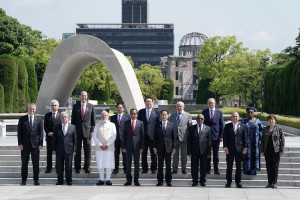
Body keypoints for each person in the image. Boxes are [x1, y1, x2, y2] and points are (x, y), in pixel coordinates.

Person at [17, 103, 43, 185]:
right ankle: (23, 180)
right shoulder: (22, 119)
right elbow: (19, 132)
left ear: (35, 110)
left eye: (33, 109)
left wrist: (41, 143)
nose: (32, 110)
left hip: (35, 145)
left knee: (36, 163)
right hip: (25, 145)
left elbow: (41, 133)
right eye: (30, 109)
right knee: (24, 163)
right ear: (28, 109)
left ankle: (36, 180)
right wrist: (20, 143)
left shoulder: (39, 120)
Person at [71, 91, 96, 174]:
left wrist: (92, 131)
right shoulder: (75, 106)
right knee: (77, 150)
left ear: (87, 97)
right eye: (82, 96)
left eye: (85, 96)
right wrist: (73, 131)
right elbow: (73, 120)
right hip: (77, 131)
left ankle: (87, 167)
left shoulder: (91, 106)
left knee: (87, 150)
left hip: (87, 132)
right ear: (80, 97)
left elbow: (93, 121)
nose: (84, 97)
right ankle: (77, 167)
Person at [223, 112, 247, 188]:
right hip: (230, 150)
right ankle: (228, 182)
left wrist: (245, 147)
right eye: (233, 116)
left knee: (239, 167)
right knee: (229, 166)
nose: (235, 118)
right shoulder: (227, 126)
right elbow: (225, 138)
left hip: (239, 150)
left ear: (238, 117)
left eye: (236, 116)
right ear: (231, 117)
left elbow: (245, 138)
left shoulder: (243, 126)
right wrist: (225, 147)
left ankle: (238, 182)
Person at [52, 112, 77, 186]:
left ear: (68, 118)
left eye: (65, 117)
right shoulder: (57, 127)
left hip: (69, 150)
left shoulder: (73, 127)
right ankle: (60, 181)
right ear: (60, 119)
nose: (64, 118)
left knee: (69, 166)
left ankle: (69, 180)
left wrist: (74, 150)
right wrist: (53, 149)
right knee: (59, 167)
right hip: (59, 150)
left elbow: (75, 139)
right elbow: (54, 139)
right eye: (62, 117)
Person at [153, 110, 177, 187]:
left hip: (168, 148)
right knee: (160, 165)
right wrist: (154, 147)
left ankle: (168, 181)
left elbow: (174, 138)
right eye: (162, 115)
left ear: (168, 116)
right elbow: (155, 137)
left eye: (165, 115)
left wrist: (174, 148)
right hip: (159, 148)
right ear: (160, 116)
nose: (164, 116)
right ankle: (160, 181)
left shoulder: (172, 124)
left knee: (168, 165)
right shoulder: (157, 125)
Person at [261, 114, 285, 189]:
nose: (271, 121)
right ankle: (269, 183)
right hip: (267, 151)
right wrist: (262, 150)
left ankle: (274, 183)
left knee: (275, 167)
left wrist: (281, 150)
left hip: (276, 151)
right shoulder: (265, 129)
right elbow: (262, 141)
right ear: (268, 121)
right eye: (270, 119)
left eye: (273, 119)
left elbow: (282, 141)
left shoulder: (279, 129)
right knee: (268, 167)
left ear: (275, 121)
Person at [93, 111, 117, 186]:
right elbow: (94, 136)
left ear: (108, 116)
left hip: (109, 147)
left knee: (108, 163)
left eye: (105, 115)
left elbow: (114, 136)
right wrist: (100, 145)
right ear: (101, 116)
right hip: (99, 148)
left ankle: (108, 179)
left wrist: (107, 145)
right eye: (102, 115)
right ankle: (101, 179)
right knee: (100, 163)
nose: (104, 117)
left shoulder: (112, 125)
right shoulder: (97, 125)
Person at [187, 114, 211, 187]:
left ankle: (202, 181)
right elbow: (189, 141)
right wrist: (189, 152)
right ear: (196, 119)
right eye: (199, 118)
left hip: (204, 151)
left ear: (204, 120)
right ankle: (195, 181)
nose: (200, 120)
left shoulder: (208, 128)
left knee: (203, 167)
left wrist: (209, 152)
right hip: (194, 151)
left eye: (201, 119)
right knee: (194, 167)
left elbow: (209, 142)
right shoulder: (191, 128)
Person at [122, 108, 144, 186]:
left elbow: (142, 136)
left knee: (137, 164)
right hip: (128, 146)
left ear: (137, 115)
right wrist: (123, 147)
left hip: (137, 147)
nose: (133, 115)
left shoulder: (140, 123)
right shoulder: (126, 123)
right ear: (130, 114)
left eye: (135, 114)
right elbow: (124, 136)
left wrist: (142, 147)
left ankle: (136, 180)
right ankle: (128, 180)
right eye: (132, 114)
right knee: (128, 164)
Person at [202, 98, 224, 175]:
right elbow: (202, 124)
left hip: (216, 136)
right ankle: (208, 169)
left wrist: (221, 136)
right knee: (207, 154)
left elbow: (222, 125)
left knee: (216, 154)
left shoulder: (219, 112)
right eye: (209, 103)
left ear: (215, 104)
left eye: (212, 103)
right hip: (206, 137)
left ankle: (216, 169)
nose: (211, 104)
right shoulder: (204, 112)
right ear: (208, 104)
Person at [138, 97, 160, 174]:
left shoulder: (156, 112)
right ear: (145, 103)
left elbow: (158, 124)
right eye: (147, 101)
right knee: (143, 154)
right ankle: (145, 169)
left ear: (152, 102)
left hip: (153, 137)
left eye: (150, 102)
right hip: (143, 136)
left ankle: (154, 168)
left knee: (154, 153)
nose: (148, 103)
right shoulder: (141, 112)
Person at [169, 101, 192, 174]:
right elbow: (169, 126)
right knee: (175, 155)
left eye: (180, 106)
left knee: (184, 155)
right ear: (176, 107)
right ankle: (175, 169)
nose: (179, 107)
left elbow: (190, 127)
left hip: (184, 138)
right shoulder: (172, 115)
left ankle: (184, 168)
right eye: (178, 106)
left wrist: (189, 139)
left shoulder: (188, 115)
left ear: (183, 107)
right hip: (175, 138)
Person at [241, 107, 263, 175]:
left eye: (251, 112)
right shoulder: (243, 121)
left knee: (255, 155)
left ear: (253, 113)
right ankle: (246, 170)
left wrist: (260, 140)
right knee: (247, 156)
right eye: (248, 112)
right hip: (246, 142)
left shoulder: (258, 121)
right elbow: (241, 131)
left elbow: (261, 131)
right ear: (246, 113)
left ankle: (254, 170)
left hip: (255, 143)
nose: (250, 114)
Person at [110, 103, 130, 174]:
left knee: (125, 154)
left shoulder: (127, 117)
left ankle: (125, 168)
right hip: (115, 139)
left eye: (120, 107)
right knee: (116, 154)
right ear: (116, 109)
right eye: (118, 107)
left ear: (123, 108)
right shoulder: (113, 118)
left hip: (124, 139)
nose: (119, 109)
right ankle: (116, 168)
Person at [44, 99, 61, 173]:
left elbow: (62, 126)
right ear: (50, 106)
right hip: (49, 137)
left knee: (58, 153)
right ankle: (49, 167)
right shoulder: (47, 115)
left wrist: (57, 134)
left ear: (58, 106)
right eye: (52, 105)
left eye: (55, 105)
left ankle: (58, 167)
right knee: (49, 153)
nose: (54, 107)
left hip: (58, 138)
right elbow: (45, 126)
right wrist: (48, 133)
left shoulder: (61, 115)